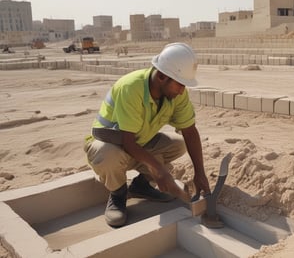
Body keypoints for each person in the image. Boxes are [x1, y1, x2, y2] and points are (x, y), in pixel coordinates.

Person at [84, 42, 211, 227]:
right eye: (180, 85)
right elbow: (127, 142)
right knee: (108, 156)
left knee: (178, 144)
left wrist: (200, 173)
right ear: (161, 76)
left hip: (138, 142)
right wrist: (159, 170)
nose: (183, 91)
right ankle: (118, 195)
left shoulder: (176, 92)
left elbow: (190, 132)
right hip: (109, 143)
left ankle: (141, 186)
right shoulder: (131, 88)